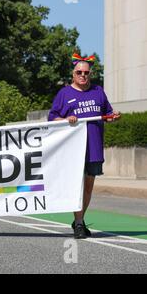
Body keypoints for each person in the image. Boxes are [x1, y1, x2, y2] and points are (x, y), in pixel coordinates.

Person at [48, 53, 121, 239]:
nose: (83, 75)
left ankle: (79, 219)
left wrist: (113, 116)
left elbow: (108, 113)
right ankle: (79, 224)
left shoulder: (98, 91)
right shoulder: (64, 93)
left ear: (90, 74)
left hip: (94, 149)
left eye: (86, 73)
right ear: (73, 74)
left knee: (88, 188)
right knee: (76, 187)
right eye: (79, 72)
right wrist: (65, 119)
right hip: (73, 150)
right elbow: (52, 117)